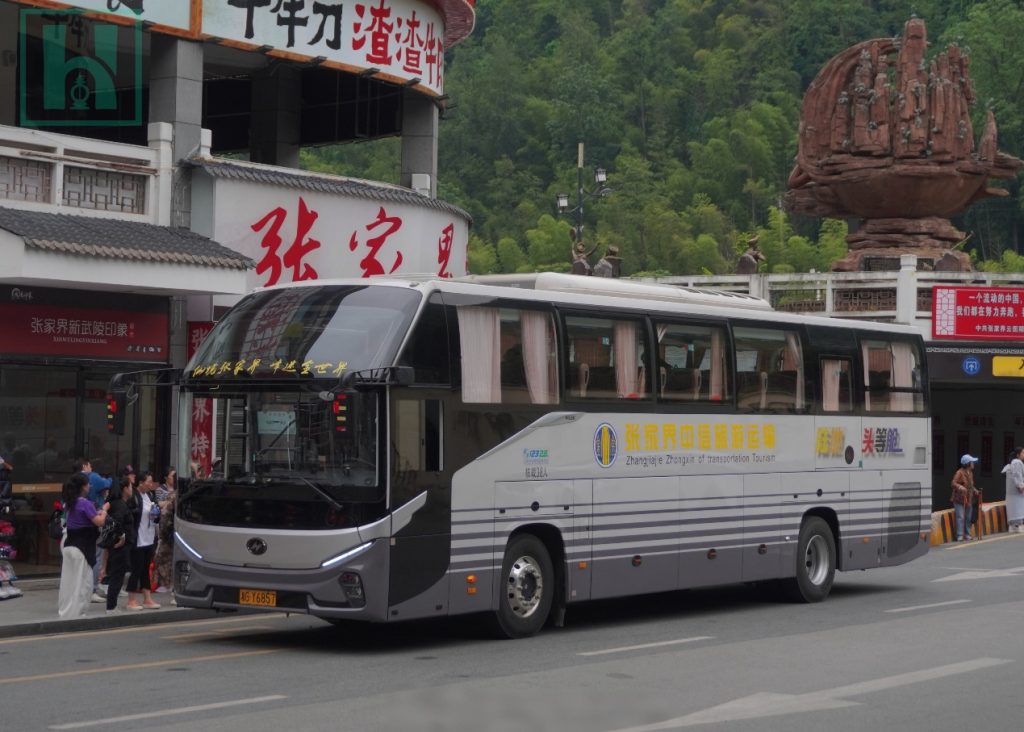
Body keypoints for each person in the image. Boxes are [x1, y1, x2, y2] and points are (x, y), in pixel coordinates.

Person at [57, 474, 109, 619]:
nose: (90, 486)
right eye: (88, 484)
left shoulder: (70, 503)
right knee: (83, 583)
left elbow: (85, 517)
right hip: (81, 549)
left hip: (68, 546)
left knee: (68, 582)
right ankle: (78, 614)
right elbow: (99, 522)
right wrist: (104, 510)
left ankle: (65, 612)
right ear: (83, 487)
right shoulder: (85, 503)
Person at [74, 457, 112, 602]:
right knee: (95, 556)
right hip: (92, 523)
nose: (90, 486)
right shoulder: (92, 478)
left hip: (75, 531)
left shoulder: (72, 486)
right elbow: (108, 483)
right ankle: (92, 589)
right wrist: (105, 510)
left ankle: (81, 589)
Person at [125, 471, 159, 610]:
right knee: (137, 568)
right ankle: (131, 599)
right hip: (138, 538)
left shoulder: (150, 495)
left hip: (149, 537)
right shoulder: (134, 496)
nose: (151, 484)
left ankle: (147, 597)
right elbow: (130, 515)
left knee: (146, 569)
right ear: (140, 483)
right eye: (148, 482)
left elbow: (154, 513)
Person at [103, 477, 136, 614]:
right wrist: (122, 536)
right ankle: (111, 606)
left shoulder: (115, 503)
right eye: (130, 486)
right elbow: (117, 521)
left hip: (117, 546)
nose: (132, 489)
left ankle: (112, 605)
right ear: (125, 489)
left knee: (118, 574)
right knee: (117, 575)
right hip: (120, 546)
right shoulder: (120, 505)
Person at [951, 454, 981, 541]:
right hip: (959, 499)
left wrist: (975, 490)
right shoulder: (959, 472)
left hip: (968, 498)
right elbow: (953, 483)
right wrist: (960, 487)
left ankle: (967, 534)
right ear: (968, 464)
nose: (973, 464)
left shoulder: (970, 473)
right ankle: (960, 535)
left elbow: (971, 485)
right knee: (960, 517)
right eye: (972, 462)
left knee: (968, 517)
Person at [153, 488, 176, 599]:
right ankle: (168, 584)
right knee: (165, 559)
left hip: (169, 535)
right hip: (172, 535)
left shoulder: (173, 496)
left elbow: (165, 519)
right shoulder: (176, 495)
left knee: (164, 559)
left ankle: (167, 584)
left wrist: (162, 534)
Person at [1002, 447, 1024, 533]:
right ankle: (1017, 525)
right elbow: (1017, 475)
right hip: (1016, 492)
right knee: (1018, 508)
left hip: (1012, 493)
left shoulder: (1012, 463)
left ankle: (1014, 526)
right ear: (1018, 455)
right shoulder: (1017, 462)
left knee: (1015, 508)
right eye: (1023, 453)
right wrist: (1021, 486)